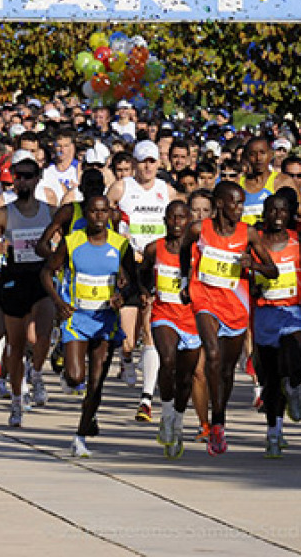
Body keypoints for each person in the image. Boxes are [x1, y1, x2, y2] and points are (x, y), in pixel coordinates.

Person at [179, 181, 278, 456]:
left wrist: (254, 265)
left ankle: (219, 417)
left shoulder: (248, 234)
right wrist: (185, 280)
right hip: (205, 298)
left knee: (225, 370)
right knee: (211, 354)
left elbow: (273, 271)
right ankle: (214, 427)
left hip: (235, 304)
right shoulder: (199, 229)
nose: (239, 209)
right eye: (235, 203)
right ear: (220, 204)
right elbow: (185, 250)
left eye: (242, 204)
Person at [43, 194, 135, 457]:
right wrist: (59, 302)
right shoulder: (72, 242)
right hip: (77, 318)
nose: (98, 217)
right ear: (85, 215)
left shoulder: (120, 245)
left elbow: (131, 283)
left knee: (96, 384)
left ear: (110, 214)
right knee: (75, 377)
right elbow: (46, 272)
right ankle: (62, 352)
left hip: (106, 321)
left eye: (103, 212)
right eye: (93, 212)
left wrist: (122, 296)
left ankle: (80, 437)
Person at [107, 140, 177, 423]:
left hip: (156, 266)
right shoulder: (122, 188)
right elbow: (102, 215)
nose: (148, 166)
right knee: (127, 339)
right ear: (134, 163)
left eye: (153, 161)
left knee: (149, 328)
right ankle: (126, 360)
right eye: (143, 161)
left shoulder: (167, 191)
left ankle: (146, 399)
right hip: (128, 265)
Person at [0, 150, 54, 427]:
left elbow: (59, 245)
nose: (22, 182)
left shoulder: (48, 212)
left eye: (28, 177)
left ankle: (36, 373)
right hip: (13, 279)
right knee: (15, 346)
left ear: (37, 179)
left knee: (42, 333)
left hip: (40, 278)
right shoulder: (3, 214)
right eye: (18, 177)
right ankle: (16, 400)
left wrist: (53, 256)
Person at [251, 192, 301, 458]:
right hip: (265, 314)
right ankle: (273, 434)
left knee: (296, 362)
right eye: (272, 211)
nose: (277, 216)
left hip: (293, 311)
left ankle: (295, 388)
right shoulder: (255, 242)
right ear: (265, 213)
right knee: (271, 378)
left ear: (290, 214)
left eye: (283, 211)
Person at [142, 200, 201, 459]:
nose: (177, 223)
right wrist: (145, 291)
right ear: (165, 220)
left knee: (185, 377)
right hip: (163, 314)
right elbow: (141, 272)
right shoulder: (154, 248)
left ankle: (177, 421)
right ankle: (166, 415)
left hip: (192, 319)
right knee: (167, 360)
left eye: (181, 218)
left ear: (189, 221)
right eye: (172, 218)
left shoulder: (200, 251)